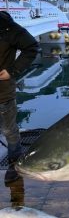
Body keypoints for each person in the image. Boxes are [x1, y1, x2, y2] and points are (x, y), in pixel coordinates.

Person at [0, 11, 39, 184]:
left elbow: (32, 47)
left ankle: (14, 165)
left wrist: (12, 71)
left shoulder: (8, 27)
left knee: (9, 130)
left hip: (2, 93)